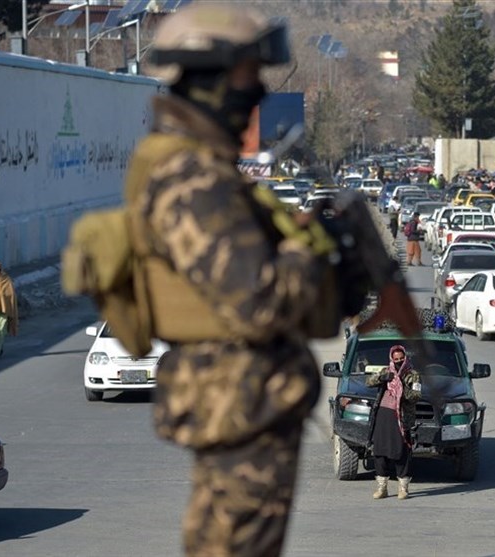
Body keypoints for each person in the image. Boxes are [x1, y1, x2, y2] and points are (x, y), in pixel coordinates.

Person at [140, 6, 328, 556]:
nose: (258, 93)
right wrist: (312, 256)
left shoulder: (203, 165)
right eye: (250, 76)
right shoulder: (189, 174)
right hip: (239, 405)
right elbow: (256, 301)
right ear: (210, 77)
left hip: (248, 402)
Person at [366, 345, 422, 500]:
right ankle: (382, 487)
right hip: (384, 414)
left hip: (402, 417)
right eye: (395, 359)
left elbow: (417, 395)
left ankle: (403, 488)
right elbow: (368, 382)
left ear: (406, 358)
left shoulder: (413, 374)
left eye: (401, 359)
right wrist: (382, 378)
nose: (398, 362)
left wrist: (402, 390)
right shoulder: (386, 371)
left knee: (401, 451)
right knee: (380, 451)